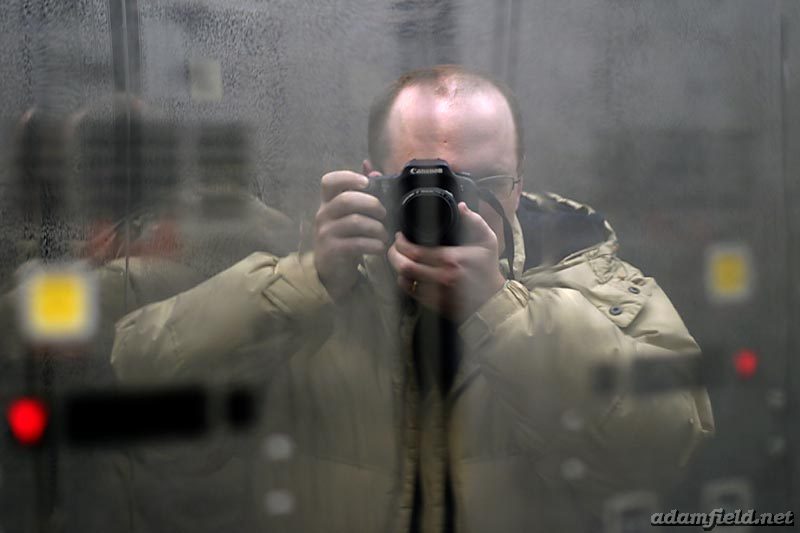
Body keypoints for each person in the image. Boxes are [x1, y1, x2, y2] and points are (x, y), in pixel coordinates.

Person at [111, 65, 714, 533]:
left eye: (482, 183)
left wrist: (500, 309)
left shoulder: (592, 281)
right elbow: (139, 377)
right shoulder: (313, 289)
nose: (451, 206)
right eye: (424, 182)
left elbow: (669, 447)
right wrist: (308, 280)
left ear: (521, 183)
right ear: (373, 179)